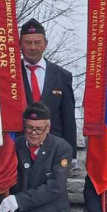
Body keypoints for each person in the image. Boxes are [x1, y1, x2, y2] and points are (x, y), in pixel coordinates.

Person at [19, 18, 77, 162]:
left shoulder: (62, 76)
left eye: (37, 42)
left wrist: (72, 154)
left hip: (54, 150)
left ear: (45, 44)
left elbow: (68, 116)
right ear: (20, 45)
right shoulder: (10, 75)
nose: (33, 47)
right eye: (27, 42)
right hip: (19, 150)